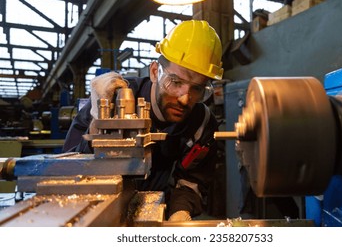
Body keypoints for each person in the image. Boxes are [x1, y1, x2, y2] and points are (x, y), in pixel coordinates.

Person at [63, 20, 224, 222]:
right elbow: (67, 163)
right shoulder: (113, 98)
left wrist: (179, 212)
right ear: (155, 71)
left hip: (154, 211)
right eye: (175, 82)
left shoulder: (202, 124)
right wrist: (97, 125)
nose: (185, 98)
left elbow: (192, 182)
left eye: (197, 88)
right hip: (95, 207)